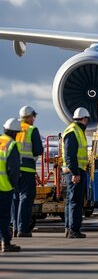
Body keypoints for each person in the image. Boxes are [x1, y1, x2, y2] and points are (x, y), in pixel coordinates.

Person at [12, 106, 43, 237]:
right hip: (27, 169)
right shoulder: (31, 130)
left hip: (13, 170)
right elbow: (38, 150)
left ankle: (14, 226)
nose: (34, 119)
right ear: (30, 117)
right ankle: (23, 229)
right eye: (33, 117)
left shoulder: (14, 129)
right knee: (26, 198)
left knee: (15, 199)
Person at [62, 107, 90, 238]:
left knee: (71, 201)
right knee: (75, 201)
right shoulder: (74, 131)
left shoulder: (75, 130)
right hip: (75, 171)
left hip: (76, 170)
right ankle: (74, 230)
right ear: (84, 119)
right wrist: (75, 173)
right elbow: (70, 155)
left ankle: (69, 228)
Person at [1, 118, 21, 252]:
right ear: (14, 133)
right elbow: (13, 169)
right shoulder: (11, 145)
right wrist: (14, 184)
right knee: (4, 216)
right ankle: (6, 243)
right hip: (4, 186)